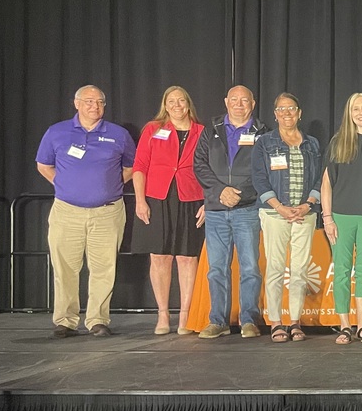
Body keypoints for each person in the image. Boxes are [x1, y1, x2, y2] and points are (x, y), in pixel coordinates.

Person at [35, 85, 136, 338]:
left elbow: (133, 167)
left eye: (100, 102)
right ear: (76, 103)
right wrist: (66, 185)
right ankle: (66, 321)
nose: (95, 106)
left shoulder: (118, 134)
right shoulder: (57, 132)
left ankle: (97, 320)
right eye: (89, 101)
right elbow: (43, 165)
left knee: (104, 268)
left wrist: (110, 184)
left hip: (108, 212)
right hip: (66, 212)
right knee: (65, 268)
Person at [194, 85, 269, 339]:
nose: (239, 104)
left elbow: (264, 171)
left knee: (249, 268)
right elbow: (199, 164)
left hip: (247, 209)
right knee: (217, 269)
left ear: (253, 103)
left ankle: (249, 320)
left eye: (244, 100)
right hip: (216, 209)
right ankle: (218, 321)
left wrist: (239, 194)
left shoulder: (263, 133)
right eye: (234, 99)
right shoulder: (211, 130)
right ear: (226, 102)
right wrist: (219, 191)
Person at [131, 85, 206, 335]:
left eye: (181, 100)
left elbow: (211, 170)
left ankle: (186, 316)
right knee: (160, 257)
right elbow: (139, 166)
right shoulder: (153, 130)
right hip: (156, 198)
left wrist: (208, 202)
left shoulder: (202, 132)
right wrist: (140, 200)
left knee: (187, 257)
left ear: (188, 104)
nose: (176, 105)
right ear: (165, 105)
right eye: (171, 101)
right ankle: (163, 315)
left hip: (191, 199)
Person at [252, 93, 323, 342]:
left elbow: (320, 178)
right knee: (274, 267)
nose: (286, 114)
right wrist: (279, 207)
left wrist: (308, 204)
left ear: (299, 113)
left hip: (305, 213)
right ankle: (276, 322)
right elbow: (259, 178)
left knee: (300, 269)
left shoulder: (312, 144)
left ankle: (294, 321)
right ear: (275, 114)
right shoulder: (264, 143)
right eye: (281, 110)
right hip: (274, 214)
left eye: (291, 109)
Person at [321, 92, 362, 345]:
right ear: (349, 114)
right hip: (342, 216)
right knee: (343, 271)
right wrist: (327, 218)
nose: (361, 112)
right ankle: (345, 326)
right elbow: (326, 183)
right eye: (355, 108)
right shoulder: (339, 142)